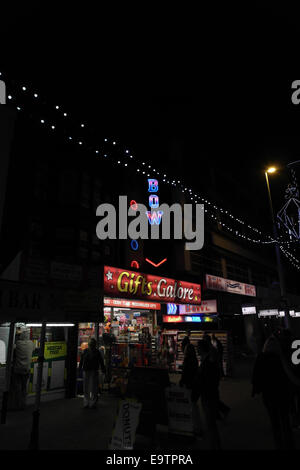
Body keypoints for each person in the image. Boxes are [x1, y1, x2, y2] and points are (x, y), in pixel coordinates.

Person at [252, 335, 294, 449]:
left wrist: (256, 390)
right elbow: (289, 375)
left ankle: (279, 443)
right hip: (283, 393)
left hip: (269, 395)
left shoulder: (261, 358)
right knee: (285, 419)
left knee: (274, 420)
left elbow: (256, 376)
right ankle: (289, 443)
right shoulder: (281, 357)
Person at [192, 339, 221, 449]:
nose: (197, 350)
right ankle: (215, 445)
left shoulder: (208, 363)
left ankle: (215, 446)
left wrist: (196, 394)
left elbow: (204, 381)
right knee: (211, 424)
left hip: (209, 396)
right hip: (210, 395)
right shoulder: (209, 361)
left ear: (202, 349)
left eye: (198, 348)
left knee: (211, 425)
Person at [179, 342, 202, 437]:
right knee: (194, 406)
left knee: (191, 406)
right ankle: (197, 426)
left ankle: (195, 427)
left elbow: (185, 373)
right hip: (195, 385)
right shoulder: (195, 359)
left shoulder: (187, 360)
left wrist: (181, 382)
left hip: (189, 385)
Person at [9, 328, 35, 410]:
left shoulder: (18, 343)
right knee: (24, 388)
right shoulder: (31, 343)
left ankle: (17, 405)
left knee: (17, 388)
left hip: (17, 370)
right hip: (26, 370)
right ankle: (23, 404)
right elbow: (34, 349)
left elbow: (11, 348)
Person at [79, 337, 106, 409]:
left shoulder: (88, 351)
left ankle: (89, 402)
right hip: (90, 370)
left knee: (90, 387)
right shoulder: (95, 352)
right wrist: (103, 369)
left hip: (90, 370)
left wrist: (80, 368)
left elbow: (82, 361)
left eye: (92, 344)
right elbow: (101, 362)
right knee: (91, 387)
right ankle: (90, 402)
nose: (91, 345)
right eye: (91, 344)